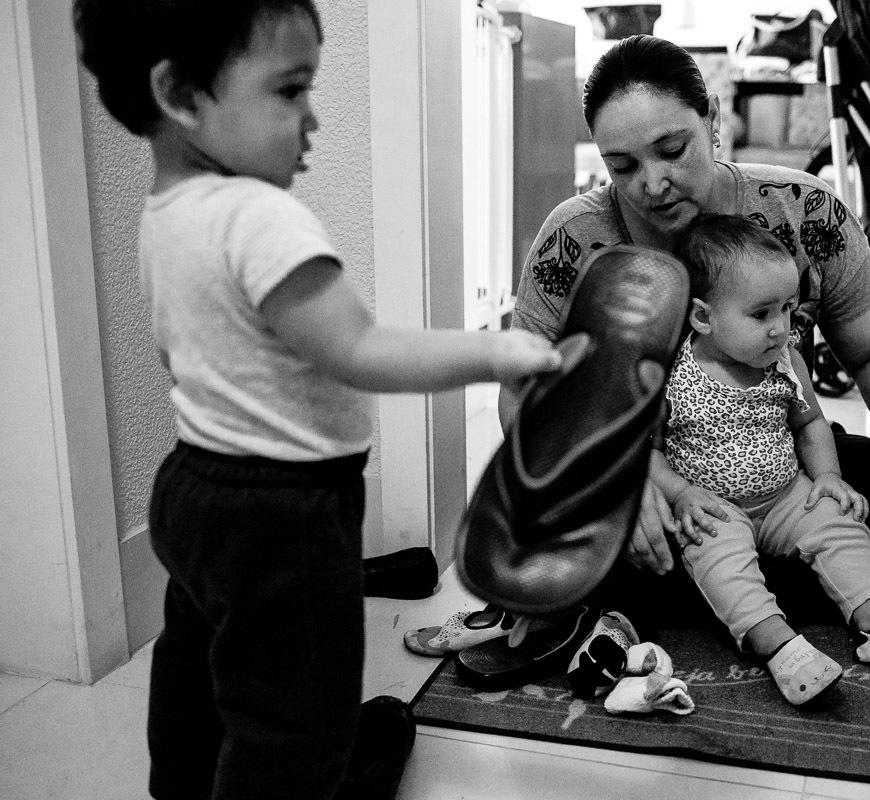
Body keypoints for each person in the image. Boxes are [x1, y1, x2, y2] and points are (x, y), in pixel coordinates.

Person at [73, 2, 560, 798]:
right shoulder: (258, 216)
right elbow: (360, 349)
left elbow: (180, 353)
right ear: (179, 93)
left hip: (194, 489)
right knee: (295, 721)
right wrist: (501, 348)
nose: (314, 118)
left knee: (198, 666)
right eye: (291, 90)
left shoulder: (166, 215)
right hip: (282, 516)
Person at [502, 34, 870, 609]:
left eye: (672, 150)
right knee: (539, 537)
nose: (652, 183)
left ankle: (722, 589)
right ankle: (817, 582)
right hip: (643, 469)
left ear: (712, 119)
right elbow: (523, 393)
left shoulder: (805, 209)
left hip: (782, 458)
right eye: (622, 166)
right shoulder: (575, 237)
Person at [660, 214, 870, 705]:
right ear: (703, 318)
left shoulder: (785, 359)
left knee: (841, 526)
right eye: (761, 315)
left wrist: (827, 477)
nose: (781, 328)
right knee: (721, 565)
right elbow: (645, 452)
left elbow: (810, 424)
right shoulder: (674, 372)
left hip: (787, 494)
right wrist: (680, 493)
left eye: (786, 308)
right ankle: (781, 648)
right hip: (715, 507)